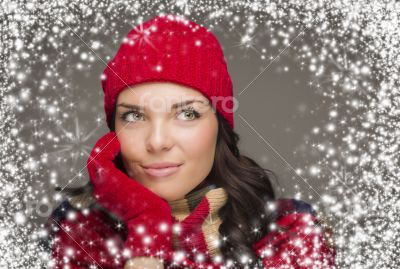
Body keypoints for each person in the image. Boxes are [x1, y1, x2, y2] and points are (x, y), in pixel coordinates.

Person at [41, 14, 336, 269]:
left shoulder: (288, 236)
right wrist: (146, 226)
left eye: (187, 114)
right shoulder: (78, 235)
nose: (157, 142)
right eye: (133, 117)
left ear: (219, 126)